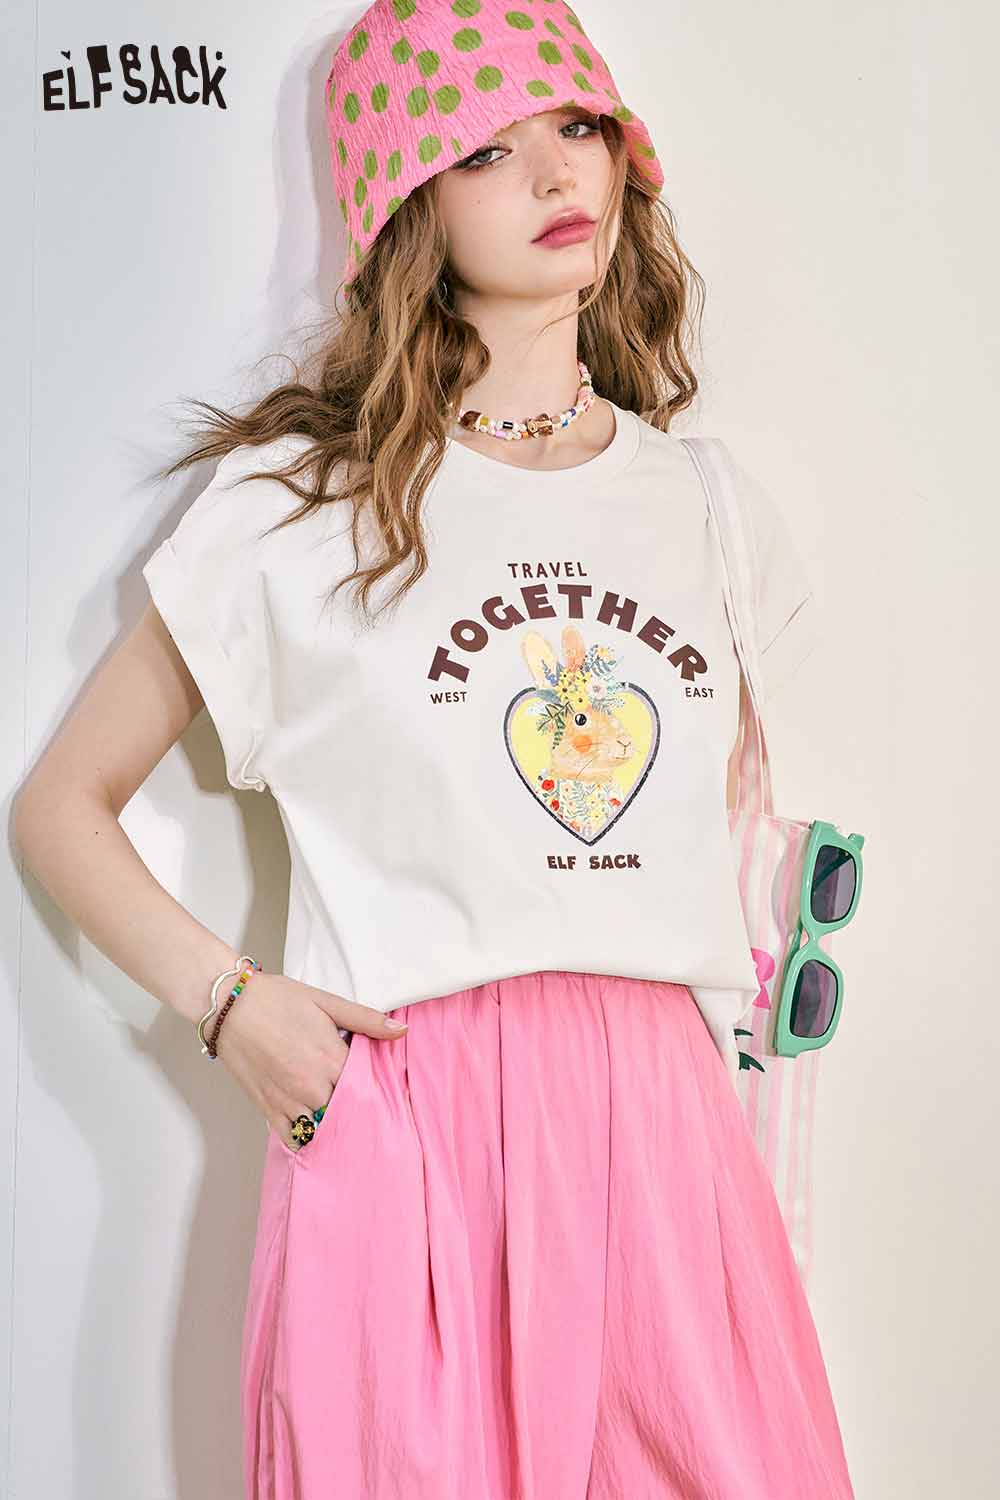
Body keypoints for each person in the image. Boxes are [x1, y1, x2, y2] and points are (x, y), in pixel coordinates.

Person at [14, 2, 855, 1496]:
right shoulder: (298, 505)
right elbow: (62, 806)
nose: (556, 174)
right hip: (410, 1124)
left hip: (665, 1139)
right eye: (488, 150)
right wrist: (235, 1010)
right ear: (410, 199)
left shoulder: (704, 504)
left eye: (579, 129)